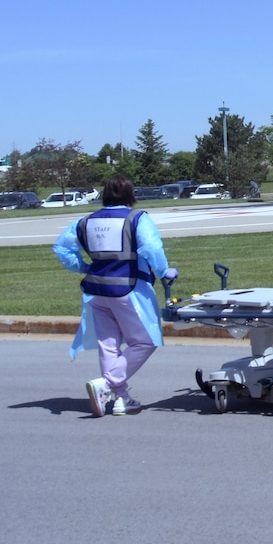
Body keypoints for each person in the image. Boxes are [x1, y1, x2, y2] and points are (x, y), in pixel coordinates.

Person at [53, 174, 177, 417]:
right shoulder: (137, 218)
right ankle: (107, 383)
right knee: (145, 341)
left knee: (108, 346)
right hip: (128, 289)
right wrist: (164, 271)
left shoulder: (85, 221)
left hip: (96, 290)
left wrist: (82, 267)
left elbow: (62, 247)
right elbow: (151, 247)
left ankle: (120, 398)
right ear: (131, 194)